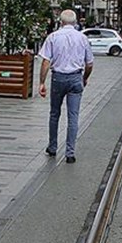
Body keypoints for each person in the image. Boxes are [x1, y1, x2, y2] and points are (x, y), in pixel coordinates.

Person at [38, 10, 94, 164]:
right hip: (76, 78)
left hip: (58, 78)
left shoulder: (53, 37)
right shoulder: (82, 38)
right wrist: (85, 78)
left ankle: (53, 147)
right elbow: (89, 64)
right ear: (75, 22)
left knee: (55, 114)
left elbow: (45, 62)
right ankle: (70, 153)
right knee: (73, 116)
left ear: (60, 22)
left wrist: (42, 82)